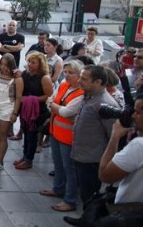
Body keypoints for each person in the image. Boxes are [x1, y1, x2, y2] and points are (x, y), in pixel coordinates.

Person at [38, 60, 84, 212]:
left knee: (69, 168)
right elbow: (51, 100)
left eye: (71, 73)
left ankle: (70, 200)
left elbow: (67, 112)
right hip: (55, 131)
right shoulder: (64, 85)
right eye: (66, 72)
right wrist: (57, 107)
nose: (67, 75)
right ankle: (58, 189)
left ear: (80, 75)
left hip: (68, 137)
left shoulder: (82, 93)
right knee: (58, 164)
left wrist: (55, 107)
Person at [72, 65, 118, 207]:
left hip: (92, 161)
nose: (79, 81)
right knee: (85, 194)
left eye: (84, 79)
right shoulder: (89, 96)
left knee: (90, 196)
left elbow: (113, 135)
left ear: (98, 82)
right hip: (81, 155)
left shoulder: (105, 104)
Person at [98, 95, 143, 204]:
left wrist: (115, 136)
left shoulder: (139, 145)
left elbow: (105, 175)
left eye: (137, 112)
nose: (132, 116)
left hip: (131, 211)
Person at [14, 52, 53, 170]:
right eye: (29, 62)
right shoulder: (26, 74)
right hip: (26, 109)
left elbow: (48, 95)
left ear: (40, 64)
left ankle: (29, 160)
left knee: (32, 135)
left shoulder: (44, 77)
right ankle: (25, 156)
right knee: (26, 132)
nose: (30, 64)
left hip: (38, 111)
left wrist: (32, 100)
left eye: (33, 62)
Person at [0, 53, 23, 172]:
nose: (3, 67)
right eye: (1, 64)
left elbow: (18, 97)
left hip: (7, 109)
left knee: (2, 136)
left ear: (12, 65)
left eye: (6, 65)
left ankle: (0, 162)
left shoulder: (17, 79)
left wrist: (15, 113)